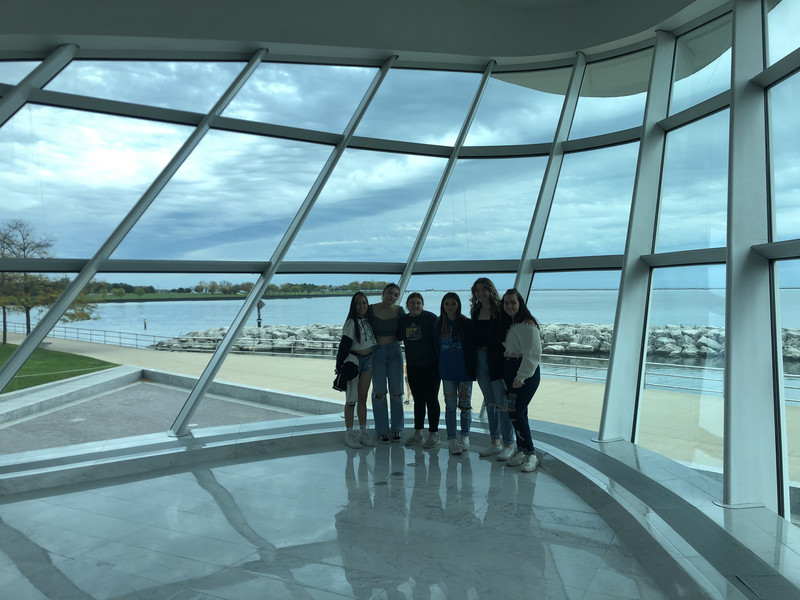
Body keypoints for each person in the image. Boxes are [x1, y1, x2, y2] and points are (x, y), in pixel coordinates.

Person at [469, 277, 516, 461]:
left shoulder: (500, 310)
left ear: (491, 290)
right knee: (489, 401)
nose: (481, 293)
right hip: (479, 359)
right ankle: (495, 442)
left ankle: (509, 444)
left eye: (484, 289)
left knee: (502, 402)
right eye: (477, 290)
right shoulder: (476, 310)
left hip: (495, 359)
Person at [500, 288, 542, 473]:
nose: (509, 306)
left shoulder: (527, 324)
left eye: (513, 302)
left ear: (520, 304)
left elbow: (533, 353)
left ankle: (531, 453)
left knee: (517, 412)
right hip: (511, 371)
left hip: (523, 374)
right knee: (516, 412)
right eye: (506, 303)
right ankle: (522, 449)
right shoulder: (513, 322)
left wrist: (521, 376)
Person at [434, 292, 475, 455]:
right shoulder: (437, 324)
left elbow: (470, 347)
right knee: (450, 407)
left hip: (464, 372)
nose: (450, 307)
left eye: (453, 303)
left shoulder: (466, 323)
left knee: (465, 405)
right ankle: (451, 438)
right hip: (447, 373)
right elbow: (438, 349)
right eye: (447, 304)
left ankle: (465, 435)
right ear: (442, 306)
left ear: (458, 305)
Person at [397, 292, 441, 448]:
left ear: (422, 304)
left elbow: (442, 337)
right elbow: (396, 336)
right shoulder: (403, 320)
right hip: (413, 366)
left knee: (432, 399)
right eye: (412, 303)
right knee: (418, 401)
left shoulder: (431, 318)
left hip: (431, 366)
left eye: (418, 303)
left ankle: (434, 434)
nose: (415, 306)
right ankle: (418, 433)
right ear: (407, 305)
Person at [336, 291, 377, 449]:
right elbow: (344, 345)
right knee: (351, 399)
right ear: (353, 306)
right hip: (354, 362)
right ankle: (349, 433)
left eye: (364, 303)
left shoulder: (366, 322)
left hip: (368, 362)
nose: (362, 306)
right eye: (358, 303)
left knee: (362, 398)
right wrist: (339, 366)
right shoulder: (351, 323)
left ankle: (362, 432)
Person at [367, 283, 405, 444]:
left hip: (395, 352)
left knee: (397, 392)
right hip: (376, 353)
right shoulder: (370, 309)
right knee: (379, 393)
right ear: (383, 294)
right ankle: (382, 430)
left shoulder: (400, 311)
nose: (393, 296)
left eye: (396, 294)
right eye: (390, 293)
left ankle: (396, 428)